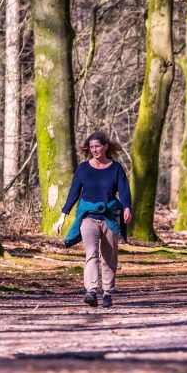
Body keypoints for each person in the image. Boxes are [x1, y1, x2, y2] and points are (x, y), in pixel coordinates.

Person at [55, 131, 132, 308]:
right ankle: (91, 290)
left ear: (105, 146)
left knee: (109, 257)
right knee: (91, 254)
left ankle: (107, 293)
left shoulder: (116, 168)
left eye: (97, 146)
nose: (94, 150)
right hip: (88, 217)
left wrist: (127, 207)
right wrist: (62, 216)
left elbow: (124, 190)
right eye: (91, 147)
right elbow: (73, 193)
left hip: (110, 217)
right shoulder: (83, 168)